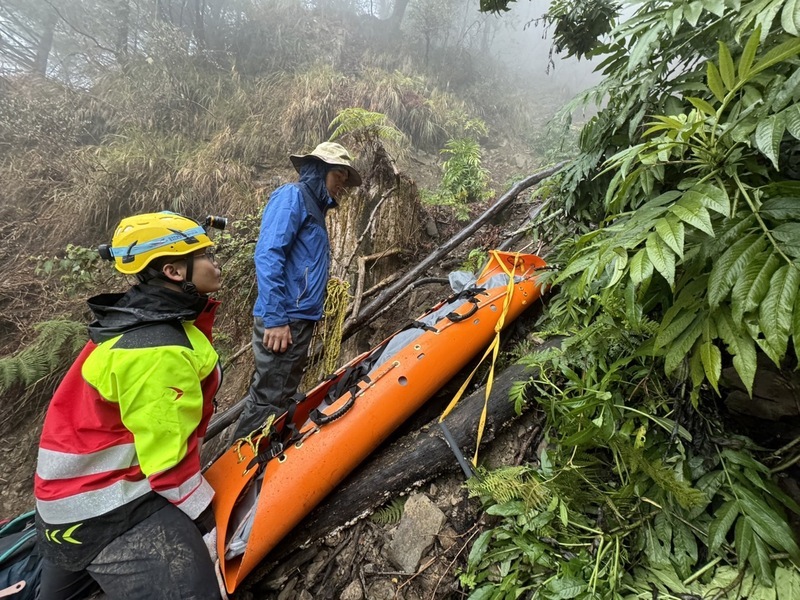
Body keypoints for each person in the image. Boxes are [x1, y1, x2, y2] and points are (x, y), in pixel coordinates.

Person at [33, 211, 226, 599]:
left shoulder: (136, 320)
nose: (216, 263)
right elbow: (168, 464)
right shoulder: (156, 349)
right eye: (205, 255)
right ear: (174, 272)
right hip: (104, 506)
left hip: (67, 501)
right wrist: (209, 519)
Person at [231, 142, 361, 440]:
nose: (343, 182)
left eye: (345, 177)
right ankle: (238, 463)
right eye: (339, 174)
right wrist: (276, 319)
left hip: (298, 319)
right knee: (268, 397)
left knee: (282, 394)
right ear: (319, 169)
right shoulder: (293, 197)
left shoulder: (314, 209)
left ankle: (267, 455)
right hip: (283, 318)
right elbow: (268, 254)